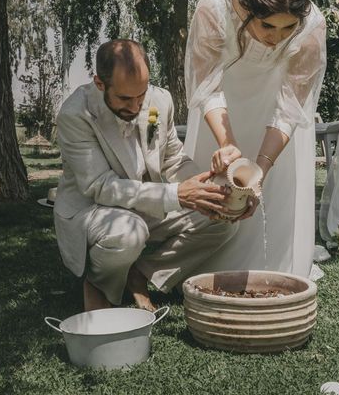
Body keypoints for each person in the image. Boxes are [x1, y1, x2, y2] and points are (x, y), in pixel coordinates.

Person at [54, 39, 238, 312]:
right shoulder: (75, 114)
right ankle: (99, 283)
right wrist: (176, 195)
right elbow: (101, 187)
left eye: (141, 95)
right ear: (99, 83)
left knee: (222, 218)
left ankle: (142, 273)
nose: (137, 106)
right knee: (129, 233)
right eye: (125, 99)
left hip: (145, 204)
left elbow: (174, 159)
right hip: (92, 209)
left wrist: (206, 189)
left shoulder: (160, 101)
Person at [184, 0, 327, 277]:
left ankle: (274, 267)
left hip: (276, 105)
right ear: (249, 7)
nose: (276, 37)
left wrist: (259, 169)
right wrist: (228, 145)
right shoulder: (214, 5)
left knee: (273, 189)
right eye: (266, 25)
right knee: (217, 188)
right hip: (221, 105)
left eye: (288, 27)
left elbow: (291, 105)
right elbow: (207, 83)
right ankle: (198, 264)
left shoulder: (313, 25)